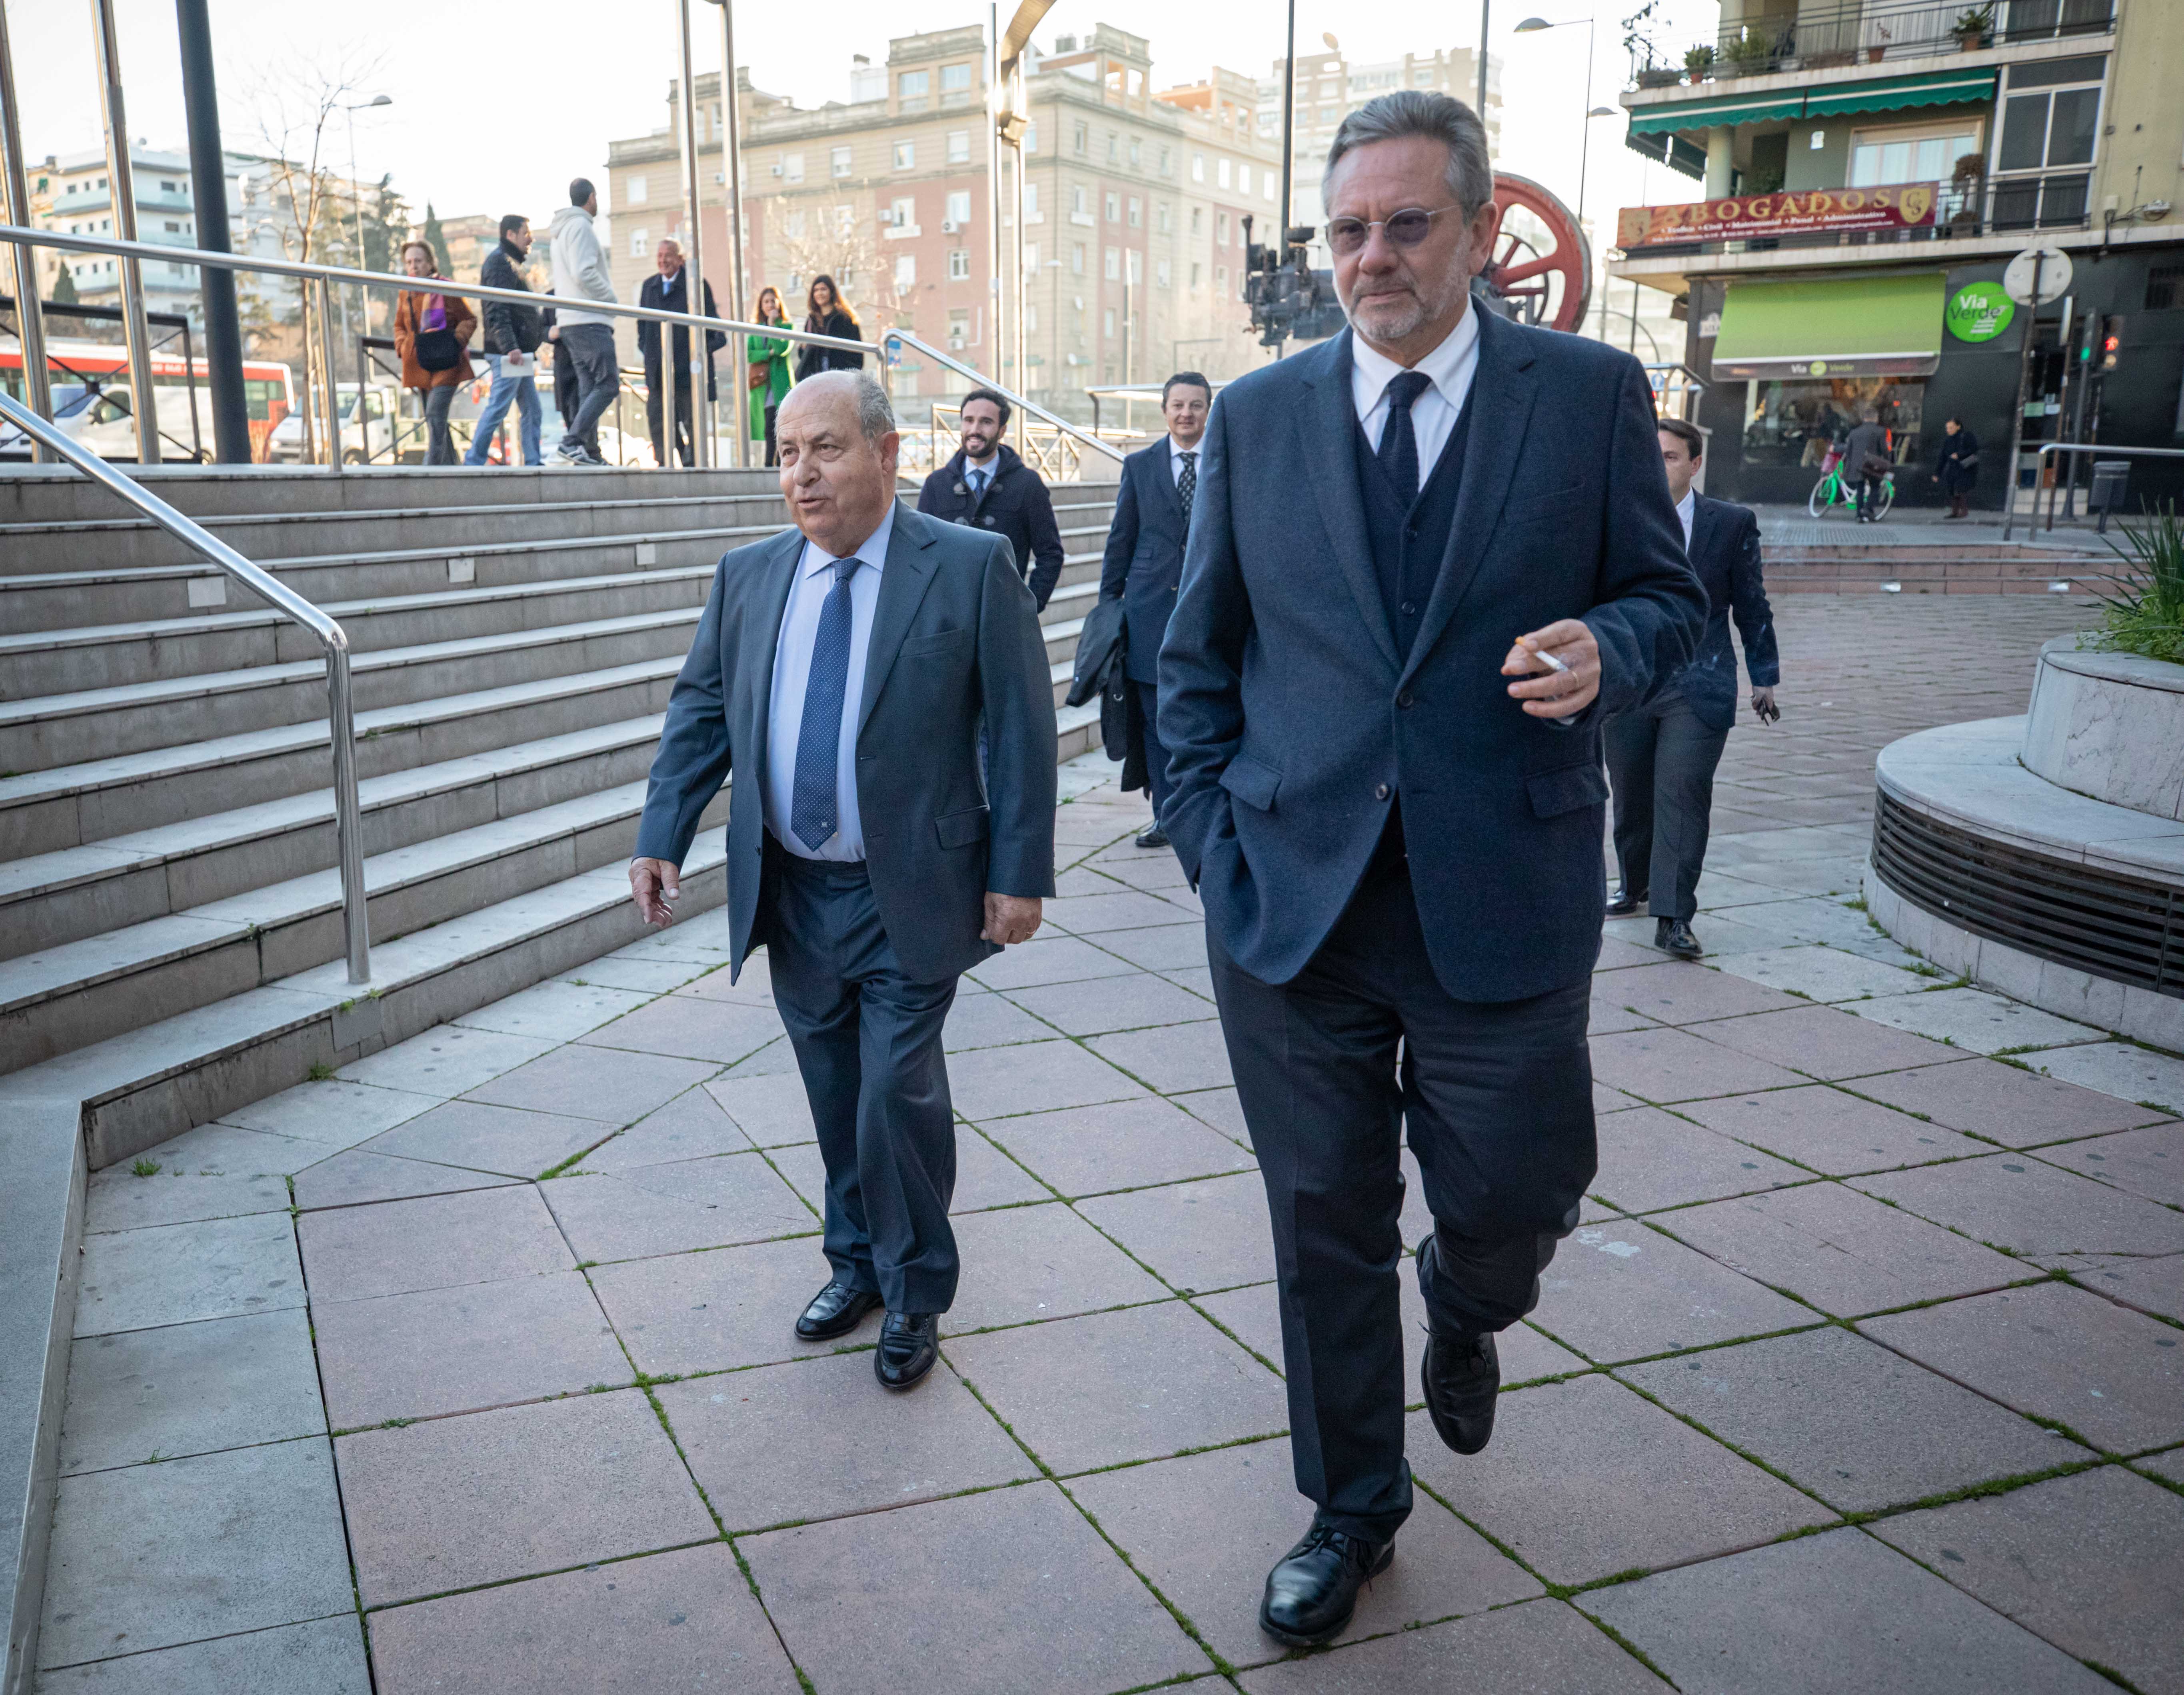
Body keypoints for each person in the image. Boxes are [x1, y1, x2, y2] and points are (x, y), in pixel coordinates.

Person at [1158, 91, 1705, 1647]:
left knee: (1519, 1189)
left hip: (1503, 891)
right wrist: (1209, 842)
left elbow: (1675, 608)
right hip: (1294, 900)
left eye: (1405, 224)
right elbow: (1195, 654)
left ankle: (1468, 1312)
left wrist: (1610, 645)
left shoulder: (1588, 395)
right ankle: (1351, 1506)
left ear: (1477, 231)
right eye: (1347, 230)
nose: (1372, 256)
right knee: (1320, 1219)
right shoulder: (1258, 420)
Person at [629, 371, 1057, 1393]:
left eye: (824, 448)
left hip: (910, 885)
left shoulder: (968, 565)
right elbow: (700, 712)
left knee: (893, 1096)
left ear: (887, 453)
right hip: (793, 890)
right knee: (834, 1094)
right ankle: (855, 1262)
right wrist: (663, 833)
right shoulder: (749, 574)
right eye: (785, 453)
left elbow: (1023, 726)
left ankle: (915, 1289)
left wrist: (1019, 873)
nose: (802, 473)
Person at [1605, 418, 1779, 959]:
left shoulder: (1728, 524)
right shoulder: (1617, 518)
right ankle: (1635, 886)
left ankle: (1674, 915)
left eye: (1670, 456)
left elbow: (1751, 603)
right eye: (1650, 455)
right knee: (1632, 796)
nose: (1658, 466)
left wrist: (1764, 675)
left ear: (1695, 464)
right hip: (1631, 681)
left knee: (1681, 792)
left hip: (1700, 680)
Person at [1097, 370, 1211, 849]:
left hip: (1208, 610)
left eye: (1196, 406)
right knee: (1152, 720)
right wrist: (1109, 604)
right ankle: (1167, 815)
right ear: (1164, 411)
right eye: (1178, 405)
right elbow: (1121, 537)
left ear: (1209, 411)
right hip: (1147, 612)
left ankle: (1205, 807)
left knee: (1204, 714)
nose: (1186, 414)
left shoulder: (1226, 462)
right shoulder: (1139, 466)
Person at [915, 388, 1066, 611]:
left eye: (986, 422)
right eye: (968, 421)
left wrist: (1028, 607)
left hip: (1005, 617)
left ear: (1002, 430)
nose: (974, 430)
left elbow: (1051, 554)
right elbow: (921, 551)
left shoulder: (1028, 484)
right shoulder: (936, 484)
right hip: (947, 618)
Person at [547, 177, 620, 468]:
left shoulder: (563, 231)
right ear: (591, 198)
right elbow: (584, 273)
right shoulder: (580, 228)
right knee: (608, 383)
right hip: (588, 319)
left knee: (588, 387)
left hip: (570, 321)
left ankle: (590, 452)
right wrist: (610, 298)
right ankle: (573, 442)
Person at [637, 238, 727, 469]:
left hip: (688, 372)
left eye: (668, 255)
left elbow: (715, 329)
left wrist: (696, 354)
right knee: (659, 420)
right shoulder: (649, 287)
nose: (662, 261)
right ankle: (664, 463)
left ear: (680, 259)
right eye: (659, 256)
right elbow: (642, 328)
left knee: (691, 420)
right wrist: (649, 352)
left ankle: (693, 465)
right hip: (659, 372)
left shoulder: (695, 285)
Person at [465, 214, 544, 467]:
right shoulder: (501, 264)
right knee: (500, 406)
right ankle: (474, 461)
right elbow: (497, 310)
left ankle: (533, 462)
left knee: (532, 409)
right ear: (511, 235)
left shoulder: (508, 262)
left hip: (515, 351)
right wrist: (510, 347)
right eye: (526, 233)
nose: (530, 238)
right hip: (510, 351)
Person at [392, 240, 476, 466]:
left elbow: (469, 319)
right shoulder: (405, 291)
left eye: (418, 261)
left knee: (435, 415)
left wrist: (457, 341)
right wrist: (402, 346)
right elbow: (399, 325)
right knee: (435, 419)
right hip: (419, 362)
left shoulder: (446, 288)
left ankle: (431, 469)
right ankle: (453, 467)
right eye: (409, 262)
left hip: (447, 361)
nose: (414, 267)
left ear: (430, 263)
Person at [748, 285, 794, 466]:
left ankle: (775, 465)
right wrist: (768, 354)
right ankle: (769, 465)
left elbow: (782, 349)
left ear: (779, 304)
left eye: (772, 301)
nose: (769, 305)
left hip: (780, 386)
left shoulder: (786, 327)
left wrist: (773, 326)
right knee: (767, 428)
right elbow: (749, 354)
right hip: (761, 385)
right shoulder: (755, 329)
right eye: (765, 302)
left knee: (778, 428)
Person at [793, 275, 862, 381]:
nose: (820, 293)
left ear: (832, 292)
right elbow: (805, 355)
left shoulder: (845, 319)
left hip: (839, 378)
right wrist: (803, 348)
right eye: (816, 290)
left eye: (823, 289)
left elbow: (856, 354)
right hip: (815, 378)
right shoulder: (812, 320)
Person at [1844, 405, 1891, 523]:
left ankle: (1859, 515)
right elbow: (1884, 450)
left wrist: (1851, 463)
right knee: (1875, 487)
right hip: (1873, 464)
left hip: (1857, 465)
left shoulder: (1854, 432)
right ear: (1876, 418)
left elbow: (1848, 451)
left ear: (1864, 418)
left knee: (1860, 490)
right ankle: (1868, 509)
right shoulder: (1880, 431)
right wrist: (1888, 462)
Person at [1932, 416, 1979, 519]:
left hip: (1965, 468)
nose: (1949, 430)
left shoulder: (1966, 436)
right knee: (1952, 490)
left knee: (1960, 489)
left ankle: (1964, 511)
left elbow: (1974, 448)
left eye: (1951, 428)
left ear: (1958, 427)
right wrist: (1937, 473)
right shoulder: (1948, 441)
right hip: (1953, 469)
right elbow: (1943, 458)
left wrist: (1960, 454)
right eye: (1948, 428)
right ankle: (1955, 512)